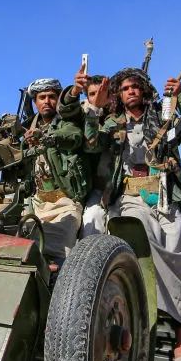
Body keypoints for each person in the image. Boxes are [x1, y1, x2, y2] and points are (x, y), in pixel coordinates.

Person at [84, 67, 181, 361]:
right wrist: (95, 107)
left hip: (163, 194)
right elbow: (92, 143)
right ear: (119, 95)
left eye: (134, 86)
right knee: (136, 234)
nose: (130, 91)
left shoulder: (162, 116)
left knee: (176, 254)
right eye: (123, 88)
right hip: (129, 194)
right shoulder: (113, 122)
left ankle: (180, 353)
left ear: (144, 89)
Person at [24, 78, 91, 269]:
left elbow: (73, 136)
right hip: (36, 203)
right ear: (35, 102)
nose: (46, 101)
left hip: (66, 202)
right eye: (41, 97)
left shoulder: (68, 121)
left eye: (52, 96)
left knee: (58, 257)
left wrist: (47, 138)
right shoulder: (28, 127)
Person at [71, 72, 114, 238]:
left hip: (120, 189)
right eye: (92, 94)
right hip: (93, 189)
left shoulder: (120, 117)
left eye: (103, 93)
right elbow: (90, 145)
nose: (98, 98)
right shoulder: (83, 116)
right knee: (92, 220)